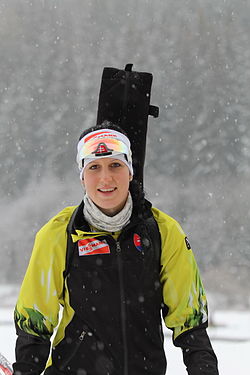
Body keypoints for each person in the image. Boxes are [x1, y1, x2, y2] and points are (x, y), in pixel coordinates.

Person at [13, 122, 219, 375]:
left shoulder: (164, 232)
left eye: (115, 165)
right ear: (82, 176)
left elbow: (191, 322)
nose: (105, 178)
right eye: (94, 167)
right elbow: (34, 322)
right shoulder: (59, 234)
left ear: (130, 171)